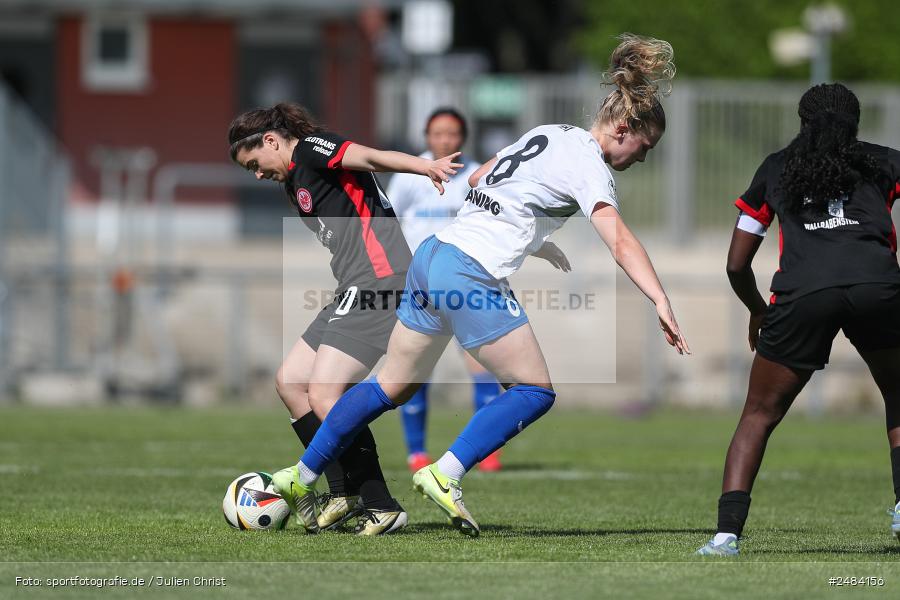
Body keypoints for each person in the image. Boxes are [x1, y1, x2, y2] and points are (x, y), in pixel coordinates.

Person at [274, 33, 689, 537]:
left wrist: (535, 239)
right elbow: (620, 242)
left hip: (431, 257)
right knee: (535, 389)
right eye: (644, 148)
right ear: (624, 128)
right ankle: (444, 473)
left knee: (390, 387)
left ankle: (302, 475)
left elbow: (480, 180)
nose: (642, 158)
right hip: (467, 273)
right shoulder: (590, 166)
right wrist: (660, 298)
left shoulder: (552, 132)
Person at [228, 102, 462, 535]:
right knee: (291, 382)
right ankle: (344, 493)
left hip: (382, 282)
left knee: (325, 394)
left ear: (271, 141)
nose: (257, 174)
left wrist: (423, 166)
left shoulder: (313, 150)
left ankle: (381, 504)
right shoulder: (294, 177)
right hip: (352, 288)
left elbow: (370, 156)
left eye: (255, 164)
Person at [697, 83, 900, 556]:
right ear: (856, 123)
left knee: (758, 415)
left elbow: (735, 264)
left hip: (803, 294)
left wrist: (758, 310)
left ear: (803, 123)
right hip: (878, 286)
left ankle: (726, 535)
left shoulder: (776, 168)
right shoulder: (885, 161)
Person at [387, 107, 511, 473]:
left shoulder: (475, 176)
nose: (445, 140)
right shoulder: (411, 174)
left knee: (482, 364)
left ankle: (486, 450)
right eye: (438, 133)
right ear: (427, 136)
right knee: (416, 368)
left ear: (463, 136)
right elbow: (390, 223)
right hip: (421, 283)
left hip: (466, 283)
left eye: (452, 133)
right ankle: (416, 452)